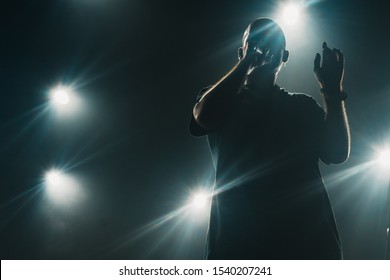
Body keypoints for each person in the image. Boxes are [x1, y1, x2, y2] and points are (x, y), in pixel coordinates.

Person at [189, 18, 350, 259]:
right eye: (254, 41)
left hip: (307, 247)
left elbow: (337, 152)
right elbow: (204, 116)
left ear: (284, 57)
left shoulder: (302, 106)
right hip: (239, 250)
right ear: (241, 51)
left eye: (274, 42)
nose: (264, 45)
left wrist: (332, 89)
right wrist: (249, 61)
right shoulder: (220, 100)